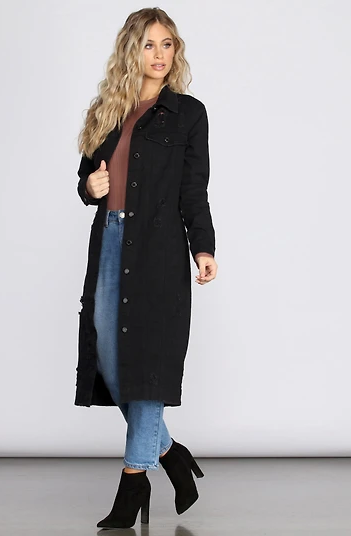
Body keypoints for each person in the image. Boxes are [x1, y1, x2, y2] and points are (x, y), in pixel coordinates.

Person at [74, 7, 217, 529]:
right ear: (130, 51)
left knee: (147, 367)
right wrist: (89, 187)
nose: (159, 55)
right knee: (112, 363)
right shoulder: (107, 111)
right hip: (111, 243)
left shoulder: (188, 114)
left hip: (158, 250)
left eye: (167, 44)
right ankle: (171, 453)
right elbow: (88, 177)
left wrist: (203, 247)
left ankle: (133, 481)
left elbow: (193, 190)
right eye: (149, 45)